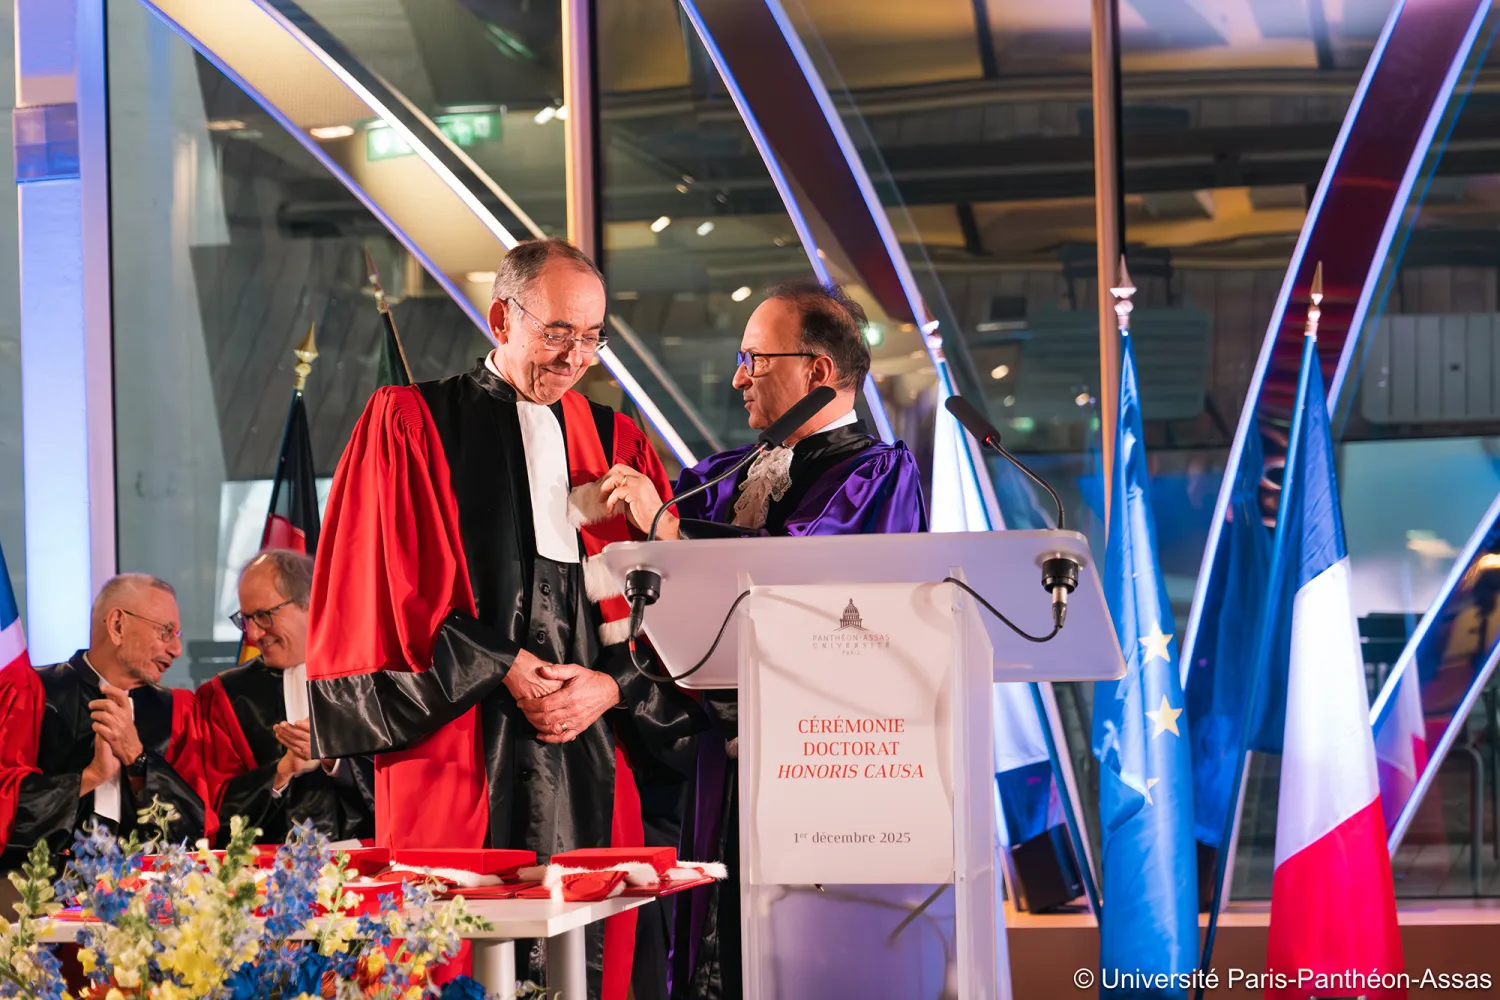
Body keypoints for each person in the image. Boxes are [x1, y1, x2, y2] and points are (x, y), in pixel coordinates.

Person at [305, 238, 704, 1000]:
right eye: (558, 333)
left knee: (591, 952)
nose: (576, 357)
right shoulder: (411, 422)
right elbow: (389, 590)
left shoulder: (618, 442)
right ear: (500, 317)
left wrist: (611, 687)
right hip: (458, 738)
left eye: (593, 338)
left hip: (588, 747)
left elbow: (671, 607)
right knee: (447, 949)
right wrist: (505, 664)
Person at [596, 278, 929, 999]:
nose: (738, 376)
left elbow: (802, 570)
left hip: (823, 767)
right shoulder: (724, 475)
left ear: (818, 372)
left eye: (755, 358)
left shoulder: (876, 474)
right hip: (715, 760)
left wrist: (672, 531)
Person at [0, 574, 206, 871]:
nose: (176, 649)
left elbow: (194, 831)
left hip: (147, 898)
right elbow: (6, 810)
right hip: (40, 898)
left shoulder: (178, 711)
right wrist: (91, 776)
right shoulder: (34, 694)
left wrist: (138, 760)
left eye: (177, 635)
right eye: (165, 632)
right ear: (118, 625)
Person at [196, 550, 374, 846]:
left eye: (264, 616)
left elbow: (409, 791)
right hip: (265, 876)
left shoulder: (369, 677)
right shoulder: (227, 696)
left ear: (310, 603)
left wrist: (334, 758)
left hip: (369, 868)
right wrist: (283, 770)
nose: (253, 633)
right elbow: (215, 812)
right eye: (246, 618)